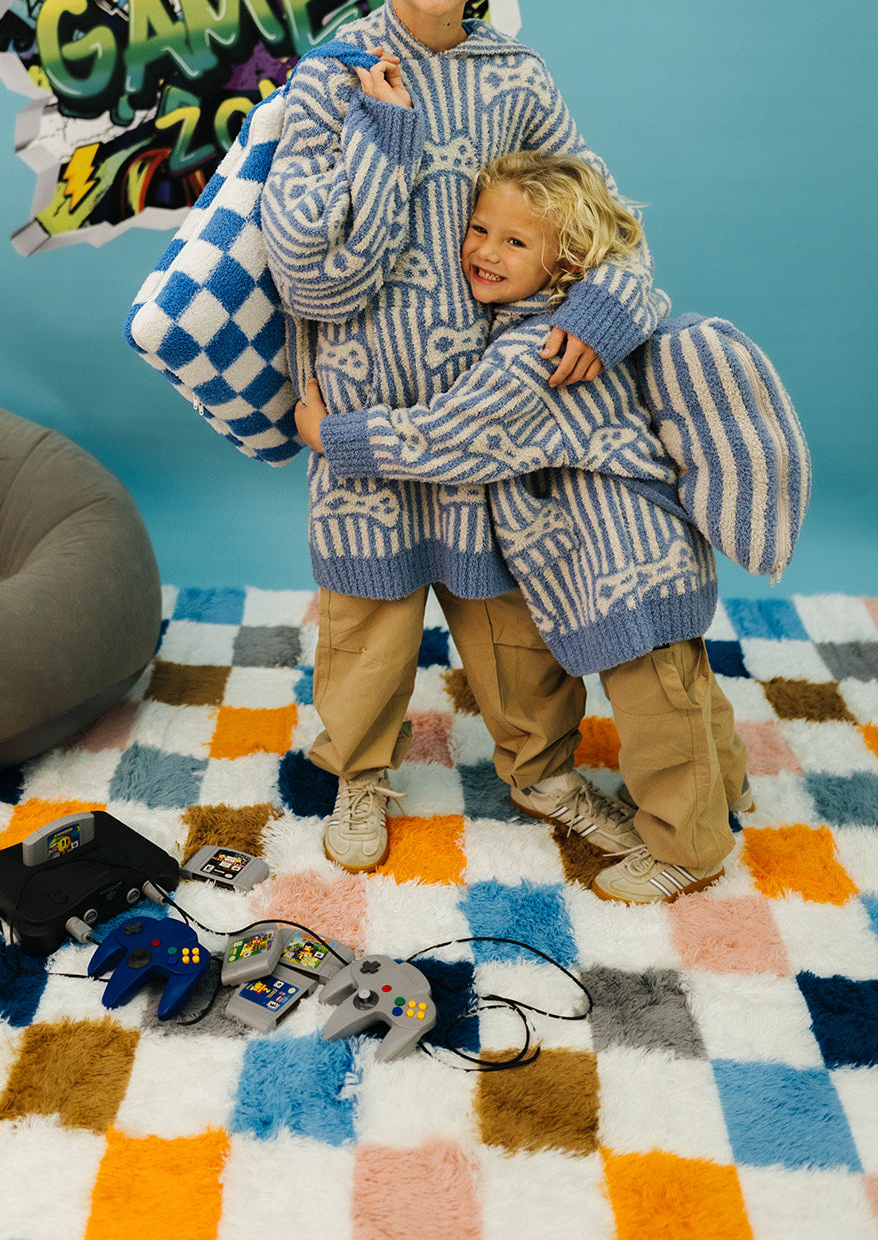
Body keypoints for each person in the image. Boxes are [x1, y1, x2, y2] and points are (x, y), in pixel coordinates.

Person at [260, 0, 662, 875]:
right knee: (367, 618)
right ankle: (356, 771)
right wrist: (382, 139)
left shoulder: (515, 80)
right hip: (362, 405)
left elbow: (604, 216)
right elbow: (310, 274)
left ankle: (542, 769)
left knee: (513, 615)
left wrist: (604, 312)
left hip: (489, 412)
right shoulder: (330, 80)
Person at [295, 150, 751, 904]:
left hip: (624, 553)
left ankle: (690, 846)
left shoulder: (533, 350)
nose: (482, 250)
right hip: (640, 545)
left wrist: (329, 435)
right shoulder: (548, 323)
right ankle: (724, 791)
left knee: (658, 709)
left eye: (514, 241)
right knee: (683, 688)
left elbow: (447, 436)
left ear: (566, 259)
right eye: (478, 228)